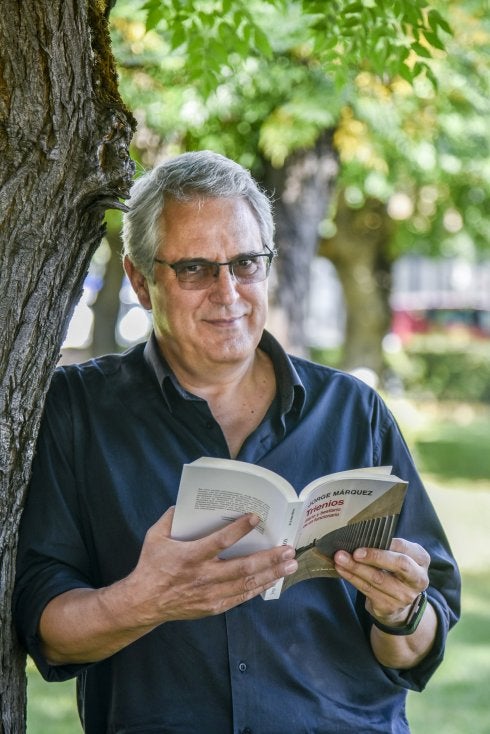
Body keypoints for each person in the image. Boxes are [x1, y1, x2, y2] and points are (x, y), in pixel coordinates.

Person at [14, 150, 460, 734]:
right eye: (196, 268)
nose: (228, 292)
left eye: (246, 263)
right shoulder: (78, 411)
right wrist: (145, 601)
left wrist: (401, 611)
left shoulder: (353, 411)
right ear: (141, 282)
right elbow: (44, 626)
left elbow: (419, 648)